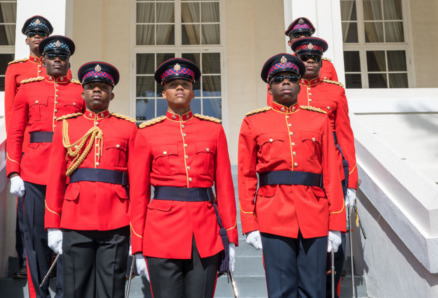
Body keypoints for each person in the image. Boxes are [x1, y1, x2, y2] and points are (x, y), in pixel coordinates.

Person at [238, 53, 346, 298]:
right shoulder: (253, 122)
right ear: (270, 87)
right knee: (281, 291)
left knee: (314, 290)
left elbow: (330, 173)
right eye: (278, 79)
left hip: (315, 215)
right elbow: (245, 177)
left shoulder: (318, 120)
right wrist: (250, 225)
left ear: (299, 83)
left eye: (290, 78)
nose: (285, 82)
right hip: (273, 215)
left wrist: (336, 225)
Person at [129, 58, 238, 298]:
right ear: (163, 93)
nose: (180, 88)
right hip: (161, 233)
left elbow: (225, 187)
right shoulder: (147, 133)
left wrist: (230, 238)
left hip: (205, 232)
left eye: (185, 84)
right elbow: (138, 194)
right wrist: (137, 245)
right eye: (173, 84)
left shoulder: (214, 130)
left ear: (193, 92)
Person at [44, 61, 137, 298]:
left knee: (111, 289)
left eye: (103, 86)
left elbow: (136, 183)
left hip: (116, 218)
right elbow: (55, 179)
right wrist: (53, 224)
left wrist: (136, 230)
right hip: (75, 217)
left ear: (111, 94)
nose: (97, 90)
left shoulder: (127, 128)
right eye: (92, 86)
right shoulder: (66, 126)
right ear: (83, 92)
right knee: (76, 288)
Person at [6, 35, 84, 298]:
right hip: (34, 171)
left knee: (68, 239)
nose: (57, 61)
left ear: (68, 61)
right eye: (52, 56)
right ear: (45, 60)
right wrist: (14, 171)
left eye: (62, 57)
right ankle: (39, 295)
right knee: (35, 239)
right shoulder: (27, 88)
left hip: (70, 173)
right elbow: (16, 132)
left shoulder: (80, 91)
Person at [290, 37, 358, 298]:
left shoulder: (334, 91)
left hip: (335, 170)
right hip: (302, 171)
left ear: (321, 62)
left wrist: (351, 182)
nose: (309, 62)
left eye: (314, 59)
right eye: (304, 58)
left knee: (336, 242)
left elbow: (345, 135)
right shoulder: (284, 87)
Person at [267, 17, 338, 106]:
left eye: (307, 34)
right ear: (290, 43)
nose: (302, 37)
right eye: (297, 35)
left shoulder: (327, 65)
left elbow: (335, 94)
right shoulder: (279, 67)